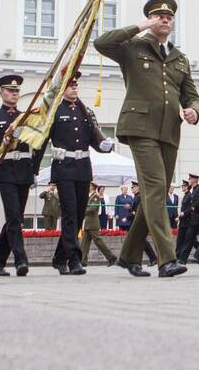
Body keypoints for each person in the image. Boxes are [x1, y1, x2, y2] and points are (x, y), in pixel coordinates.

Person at [94, 0, 199, 279]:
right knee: (154, 187)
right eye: (158, 16)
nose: (164, 20)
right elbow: (102, 42)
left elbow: (191, 95)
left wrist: (193, 110)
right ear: (151, 19)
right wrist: (139, 26)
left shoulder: (180, 58)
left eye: (168, 17)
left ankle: (128, 256)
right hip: (139, 128)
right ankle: (168, 259)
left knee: (156, 192)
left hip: (168, 131)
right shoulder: (132, 47)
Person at [48, 72, 114, 275]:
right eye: (70, 85)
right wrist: (33, 168)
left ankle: (59, 258)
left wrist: (104, 145)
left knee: (76, 216)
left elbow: (94, 139)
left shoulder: (85, 111)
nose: (74, 88)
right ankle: (73, 259)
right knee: (69, 214)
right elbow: (42, 140)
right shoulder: (55, 111)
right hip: (64, 167)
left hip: (83, 168)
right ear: (61, 88)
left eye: (76, 85)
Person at [0, 74, 40, 278]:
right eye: (9, 91)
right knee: (14, 217)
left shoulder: (26, 117)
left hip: (24, 170)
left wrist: (34, 170)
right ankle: (20, 259)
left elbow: (37, 144)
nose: (14, 94)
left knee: (15, 219)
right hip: (6, 171)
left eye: (16, 91)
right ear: (1, 93)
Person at [81, 184, 118, 266]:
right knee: (84, 243)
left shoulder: (96, 196)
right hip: (88, 223)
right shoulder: (90, 196)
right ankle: (82, 261)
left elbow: (93, 208)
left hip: (93, 223)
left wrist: (82, 210)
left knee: (98, 241)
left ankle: (111, 257)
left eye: (89, 186)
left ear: (92, 187)